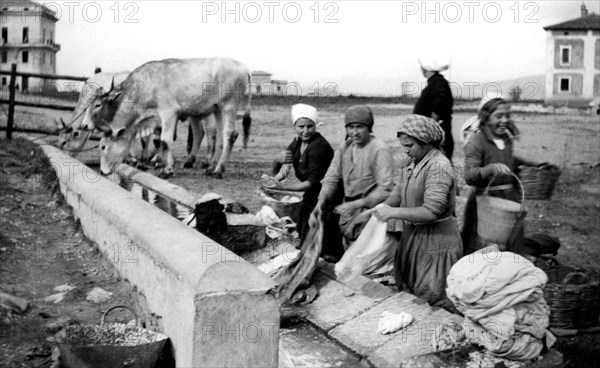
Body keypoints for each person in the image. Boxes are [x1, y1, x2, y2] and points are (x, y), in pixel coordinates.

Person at [370, 114, 462, 309]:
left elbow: (431, 212)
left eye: (409, 146)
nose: (406, 151)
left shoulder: (438, 167)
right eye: (404, 146)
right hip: (414, 236)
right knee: (412, 294)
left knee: (433, 299)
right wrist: (379, 209)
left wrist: (393, 213)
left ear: (427, 143)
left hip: (436, 241)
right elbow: (398, 193)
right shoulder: (413, 163)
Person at [462, 98, 540, 256]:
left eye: (507, 115)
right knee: (484, 250)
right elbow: (470, 176)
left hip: (509, 201)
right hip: (486, 203)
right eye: (499, 116)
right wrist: (490, 169)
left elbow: (508, 162)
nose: (504, 120)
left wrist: (531, 165)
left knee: (510, 247)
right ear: (485, 117)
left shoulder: (506, 139)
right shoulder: (477, 142)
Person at [309, 105, 395, 250]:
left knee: (368, 257)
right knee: (349, 251)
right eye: (350, 127)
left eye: (359, 127)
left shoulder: (379, 149)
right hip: (348, 211)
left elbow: (386, 189)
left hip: (372, 212)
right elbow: (331, 178)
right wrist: (320, 204)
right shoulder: (344, 149)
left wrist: (357, 204)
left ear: (369, 128)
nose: (354, 133)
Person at [263, 104, 338, 255]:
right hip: (311, 197)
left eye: (310, 126)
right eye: (301, 126)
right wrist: (275, 166)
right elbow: (284, 171)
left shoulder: (319, 147)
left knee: (322, 245)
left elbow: (310, 184)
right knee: (305, 239)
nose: (305, 131)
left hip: (327, 196)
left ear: (316, 125)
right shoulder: (297, 142)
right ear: (295, 126)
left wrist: (279, 187)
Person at [413, 57, 454, 161]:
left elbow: (441, 101)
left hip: (437, 139)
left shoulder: (437, 81)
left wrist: (432, 124)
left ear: (425, 68)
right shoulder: (436, 81)